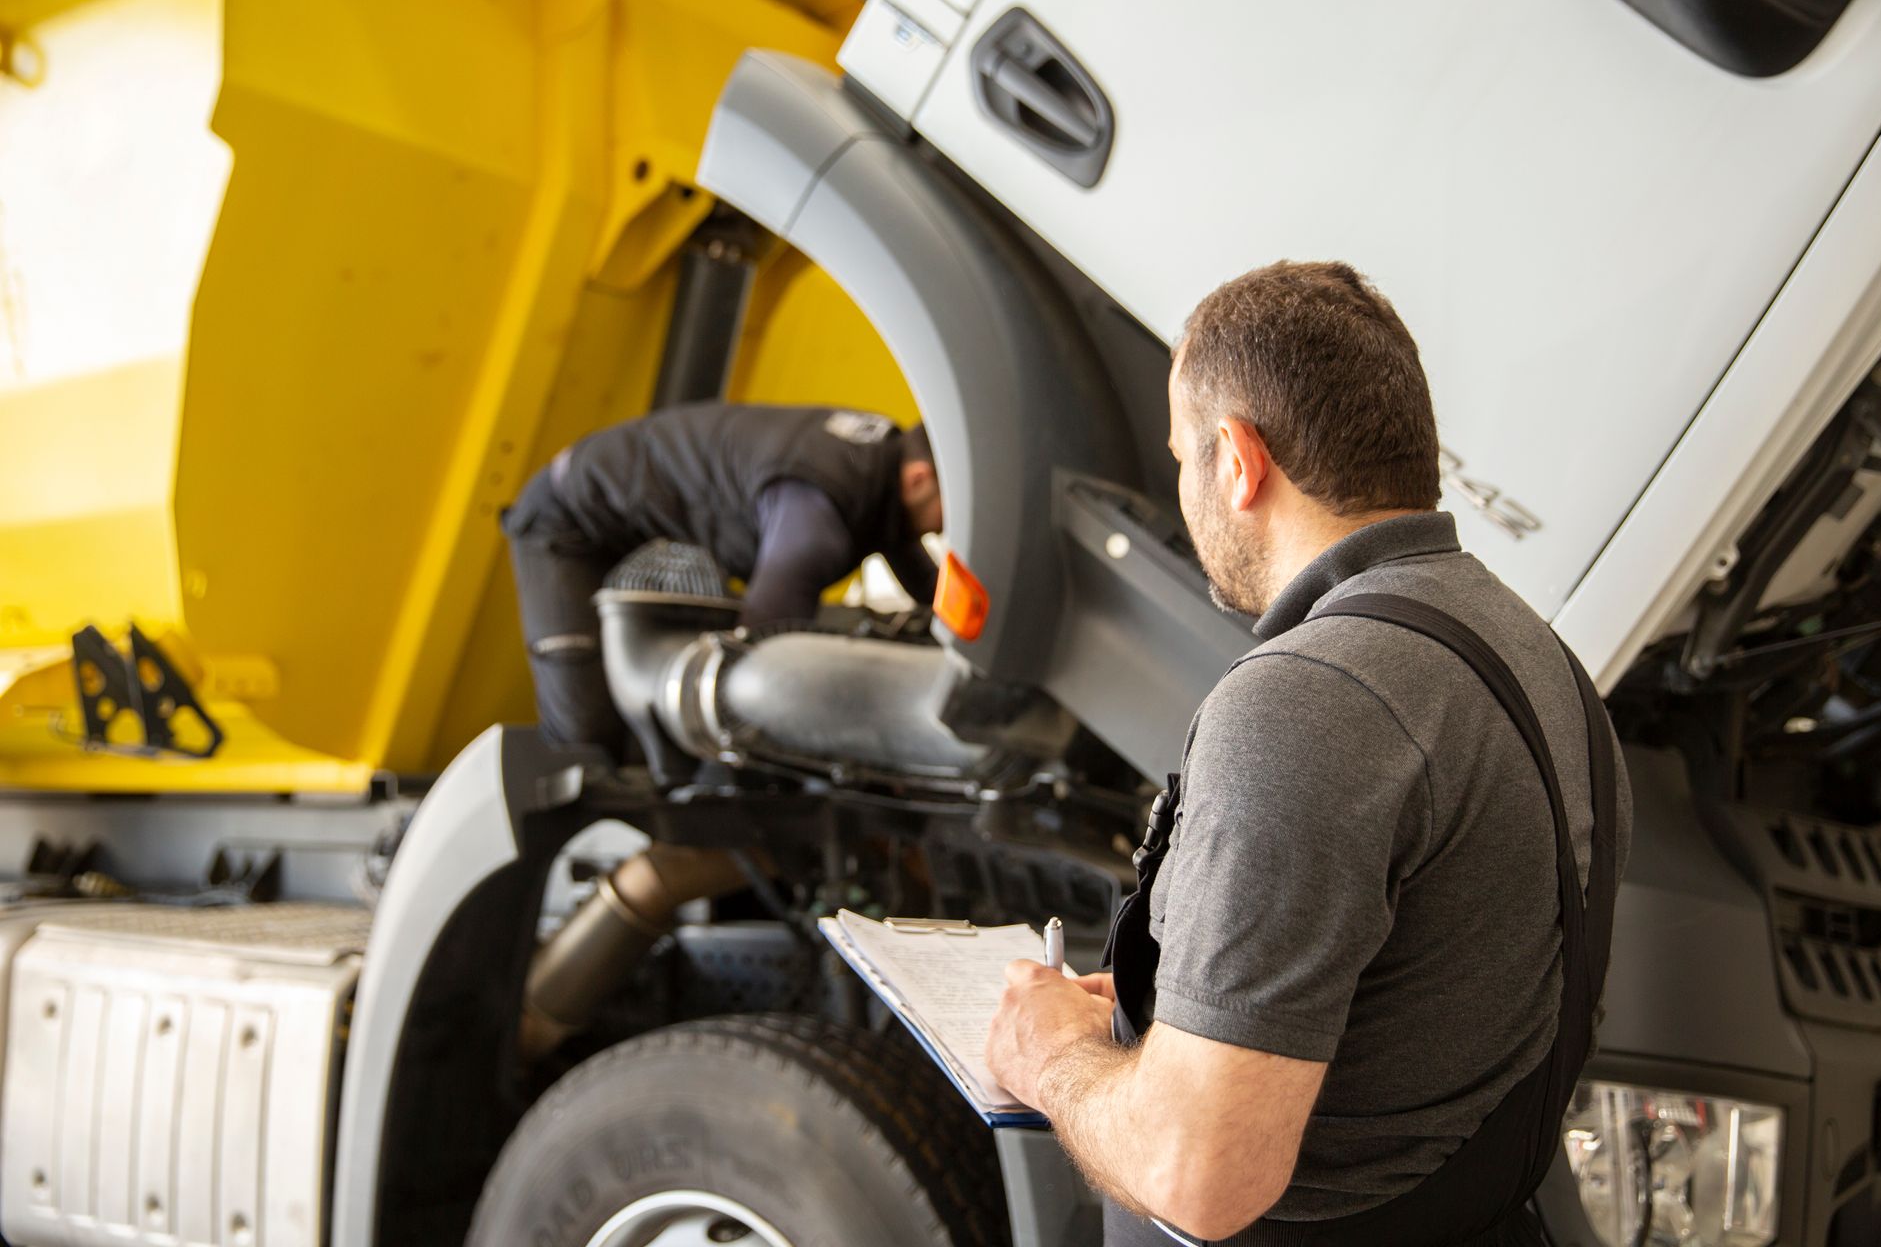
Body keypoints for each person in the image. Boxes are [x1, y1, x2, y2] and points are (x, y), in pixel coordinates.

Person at [984, 261, 1632, 1246]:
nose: (1184, 491)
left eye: (1181, 457)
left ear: (1239, 459)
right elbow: (1416, 994)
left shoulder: (1306, 703)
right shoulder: (1540, 661)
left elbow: (1201, 1173)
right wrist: (1186, 997)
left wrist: (1051, 1056)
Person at [501, 402, 943, 759]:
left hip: (640, 515)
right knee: (588, 730)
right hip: (568, 515)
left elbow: (925, 580)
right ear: (919, 479)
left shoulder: (886, 459)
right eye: (948, 510)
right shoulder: (814, 518)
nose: (944, 529)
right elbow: (757, 653)